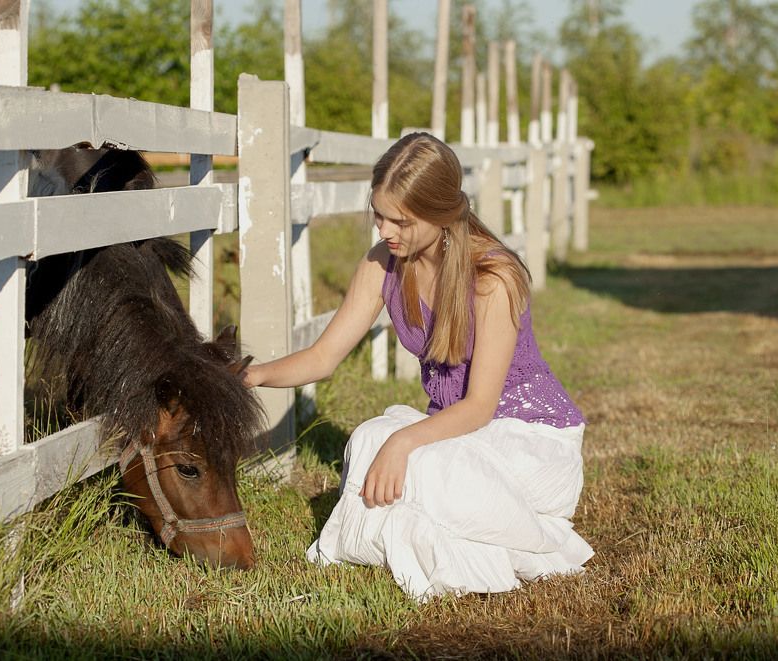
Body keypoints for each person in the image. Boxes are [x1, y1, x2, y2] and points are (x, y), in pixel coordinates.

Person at [243, 132, 592, 601]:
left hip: (528, 439)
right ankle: (437, 533)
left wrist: (405, 440)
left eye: (400, 221)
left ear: (441, 213)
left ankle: (541, 541)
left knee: (409, 456)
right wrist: (255, 375)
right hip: (457, 435)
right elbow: (324, 358)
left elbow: (481, 406)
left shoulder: (493, 278)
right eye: (379, 215)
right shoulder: (384, 264)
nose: (385, 231)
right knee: (369, 438)